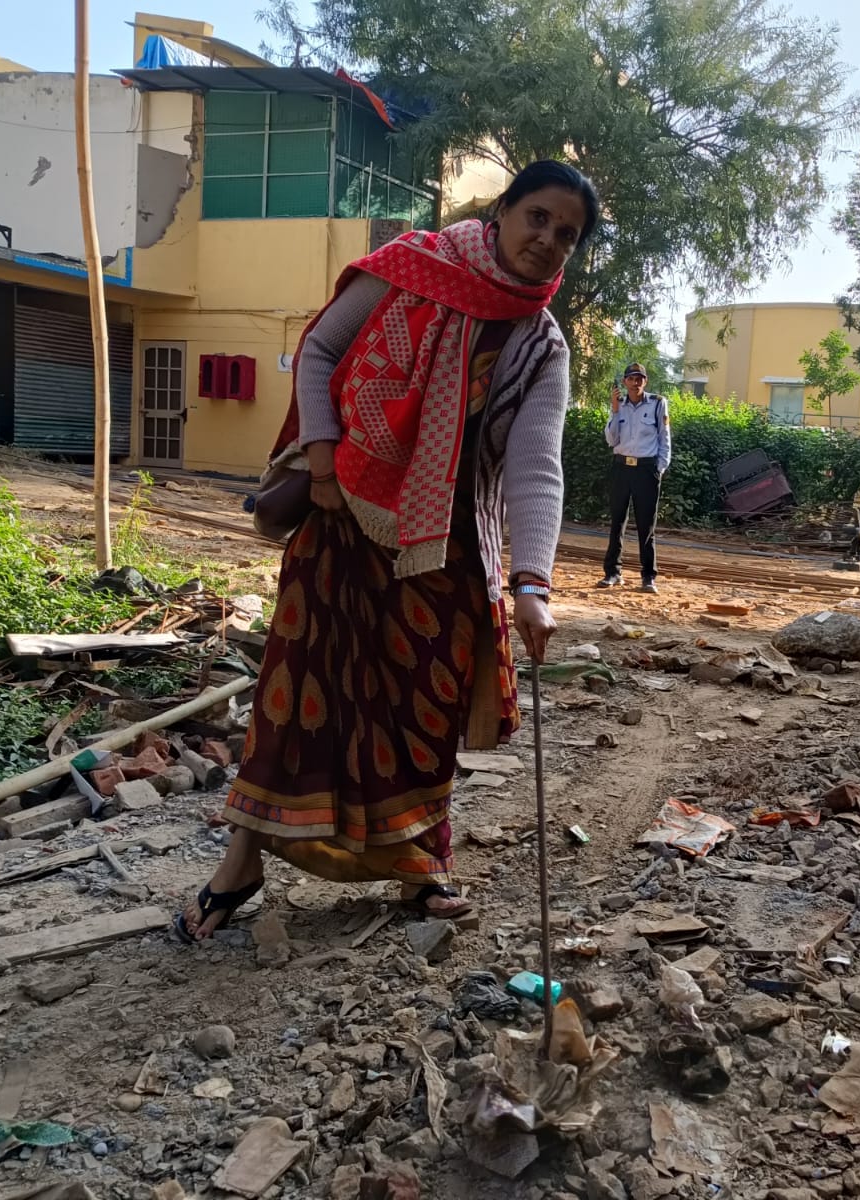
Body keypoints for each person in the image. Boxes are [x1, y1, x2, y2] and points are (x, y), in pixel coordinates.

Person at [176, 161, 600, 939]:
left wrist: (532, 585)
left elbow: (536, 464)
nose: (547, 240)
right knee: (298, 696)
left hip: (445, 549)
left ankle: (420, 864)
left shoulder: (541, 345)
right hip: (342, 517)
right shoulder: (412, 268)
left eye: (565, 235)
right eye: (537, 217)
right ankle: (240, 864)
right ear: (503, 212)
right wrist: (324, 462)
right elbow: (318, 352)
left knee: (423, 712)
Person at [597, 362, 671, 593]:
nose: (635, 382)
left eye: (639, 378)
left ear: (645, 381)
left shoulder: (657, 403)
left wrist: (660, 468)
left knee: (646, 525)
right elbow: (611, 440)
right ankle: (612, 573)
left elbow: (664, 437)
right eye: (631, 378)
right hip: (621, 468)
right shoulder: (619, 405)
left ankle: (648, 577)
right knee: (617, 521)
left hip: (646, 470)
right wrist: (614, 410)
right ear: (625, 381)